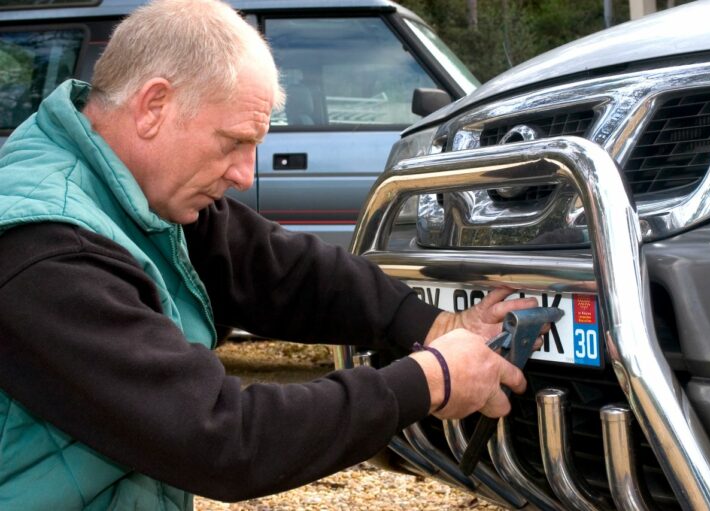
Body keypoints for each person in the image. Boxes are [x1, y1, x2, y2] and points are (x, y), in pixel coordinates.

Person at [0, 1, 541, 509]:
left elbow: (282, 269)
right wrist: (430, 380)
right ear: (153, 107)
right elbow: (221, 438)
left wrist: (435, 322)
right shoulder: (45, 247)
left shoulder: (136, 193)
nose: (245, 175)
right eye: (234, 142)